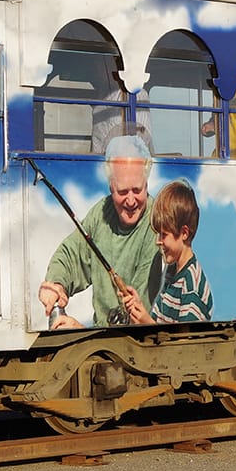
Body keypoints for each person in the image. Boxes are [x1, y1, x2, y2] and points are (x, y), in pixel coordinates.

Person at [38, 135, 161, 329]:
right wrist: (56, 285)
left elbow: (136, 319)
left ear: (147, 184)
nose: (130, 201)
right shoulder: (101, 213)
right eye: (122, 192)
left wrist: (78, 330)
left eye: (137, 190)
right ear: (111, 187)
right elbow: (72, 254)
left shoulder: (157, 224)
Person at [121, 180, 212, 324]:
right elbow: (159, 325)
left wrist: (146, 323)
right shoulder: (171, 270)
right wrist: (139, 308)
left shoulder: (191, 285)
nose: (158, 241)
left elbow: (184, 343)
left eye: (164, 234)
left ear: (184, 233)